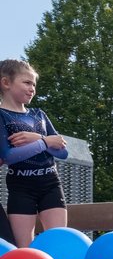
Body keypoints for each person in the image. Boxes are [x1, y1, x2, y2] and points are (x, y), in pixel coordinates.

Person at [0, 60, 69, 247]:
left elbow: (63, 152)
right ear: (6, 83)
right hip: (21, 186)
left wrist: (37, 138)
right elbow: (8, 155)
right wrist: (45, 141)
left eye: (34, 85)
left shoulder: (39, 114)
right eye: (27, 83)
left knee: (58, 242)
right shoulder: (2, 116)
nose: (32, 89)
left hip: (50, 182)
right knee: (24, 249)